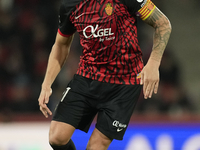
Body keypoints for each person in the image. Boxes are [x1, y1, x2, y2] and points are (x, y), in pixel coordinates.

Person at [38, 0, 171, 149]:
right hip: (87, 77)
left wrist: (153, 63)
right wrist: (46, 84)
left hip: (124, 84)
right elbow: (61, 44)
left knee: (96, 146)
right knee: (57, 137)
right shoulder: (70, 5)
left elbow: (163, 23)